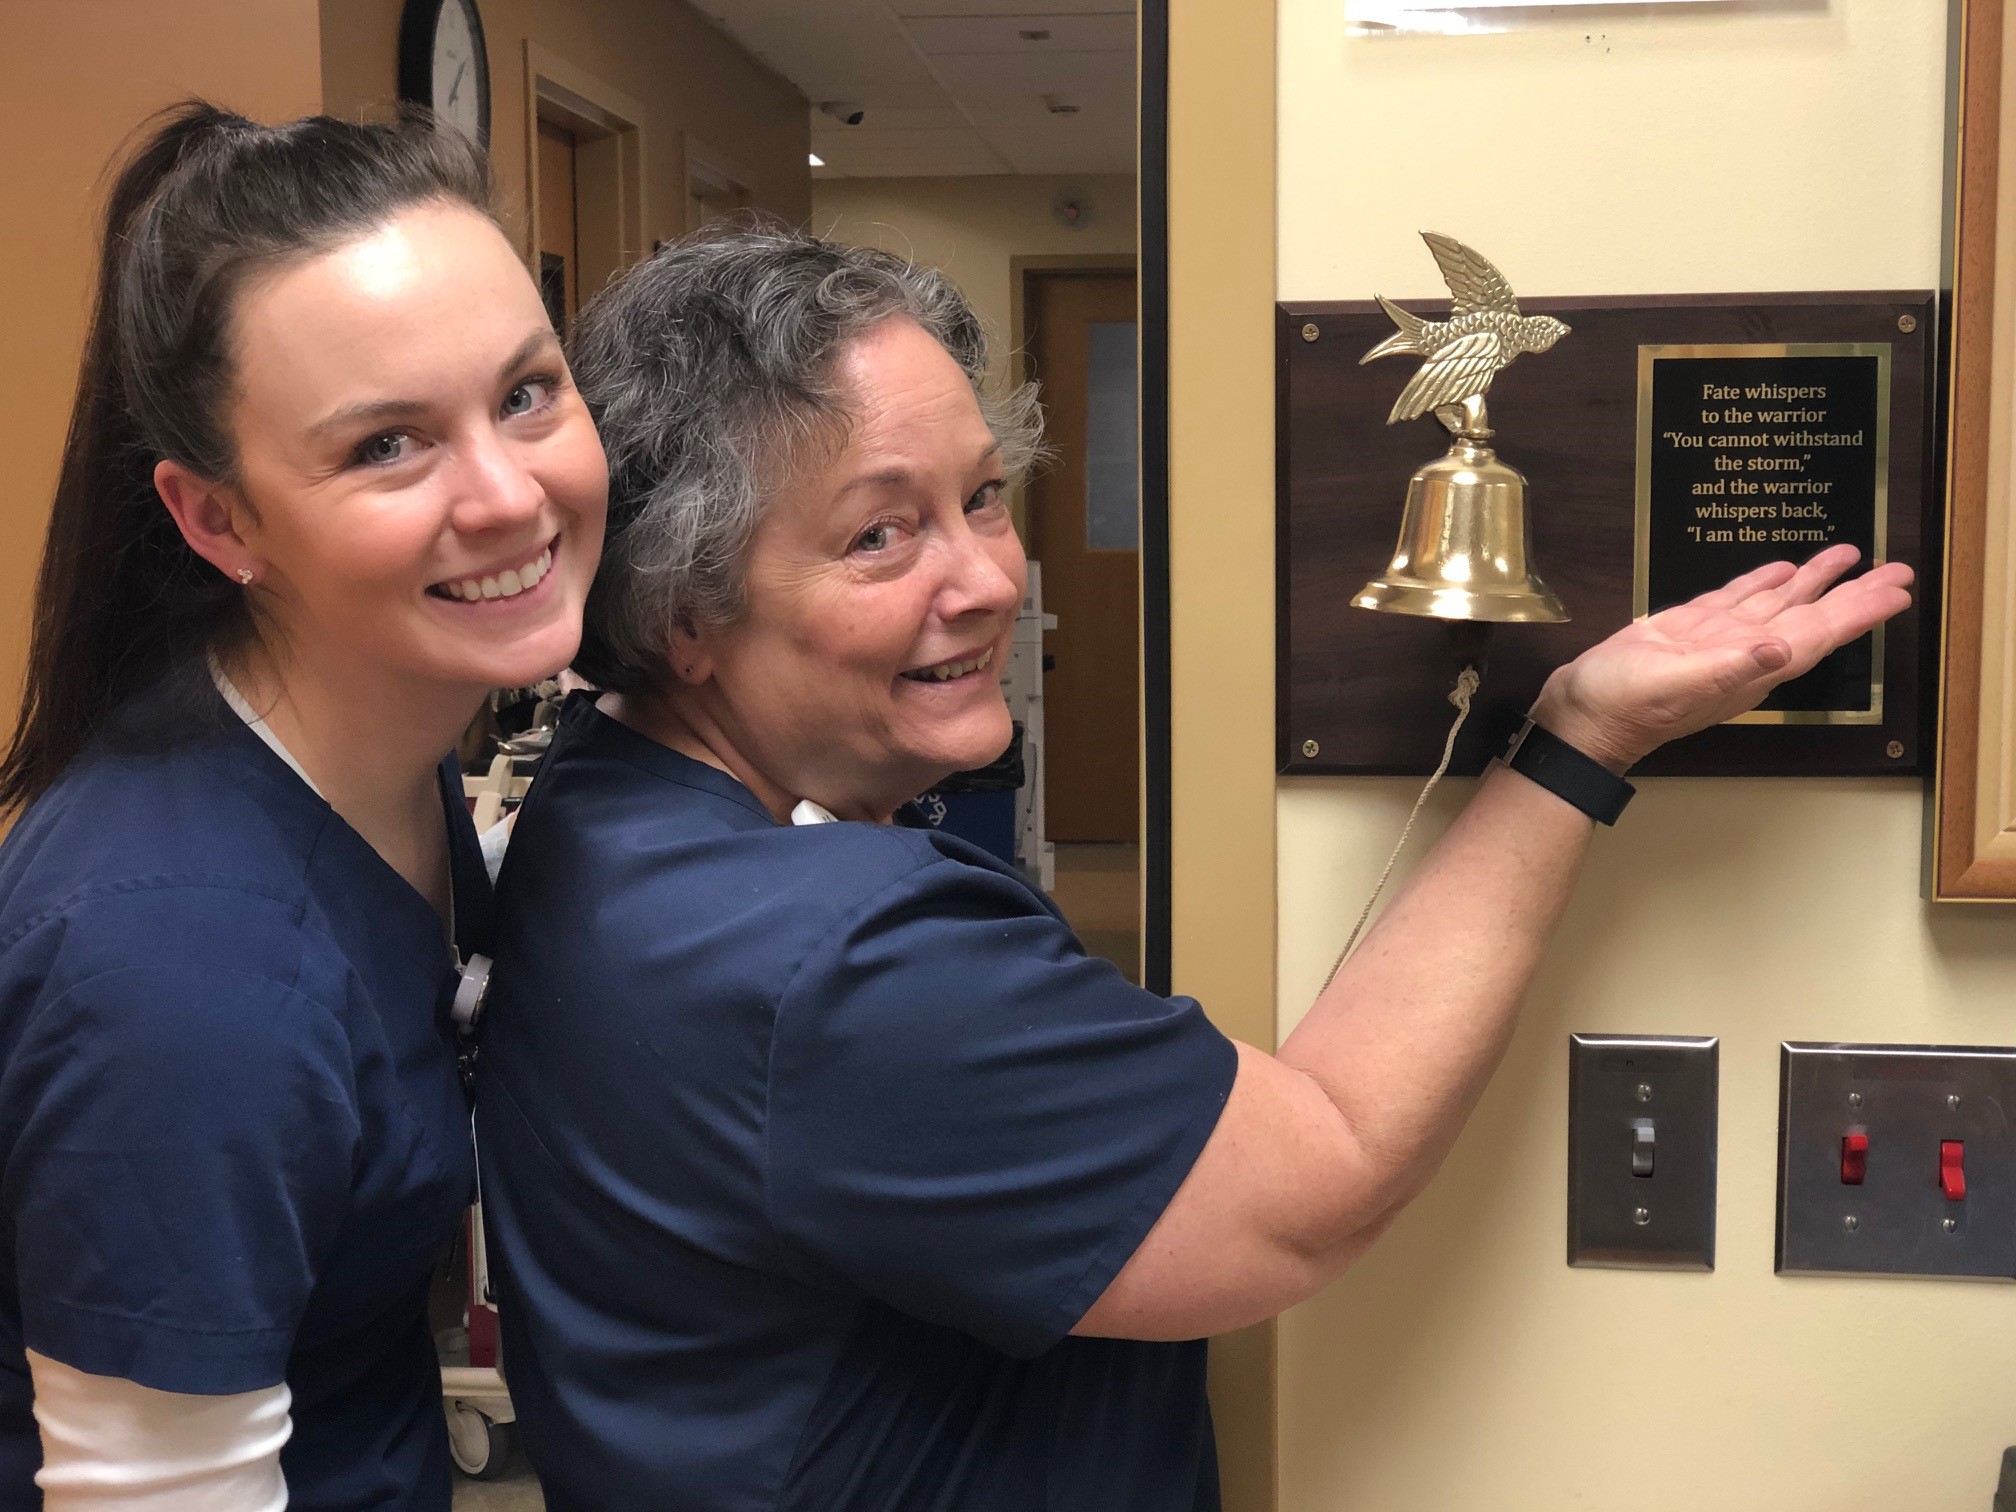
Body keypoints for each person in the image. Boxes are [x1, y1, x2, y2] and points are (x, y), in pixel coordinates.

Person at [475, 225, 1911, 1511]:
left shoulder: (599, 816)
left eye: (980, 496)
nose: (983, 577)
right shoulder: (837, 965)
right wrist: (1574, 744)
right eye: (879, 534)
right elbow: (1318, 1179)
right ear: (684, 612)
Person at [0, 104, 606, 1507]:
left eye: (527, 392)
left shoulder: (373, 746)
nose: (509, 495)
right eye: (388, 445)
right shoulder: (177, 966)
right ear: (219, 522)